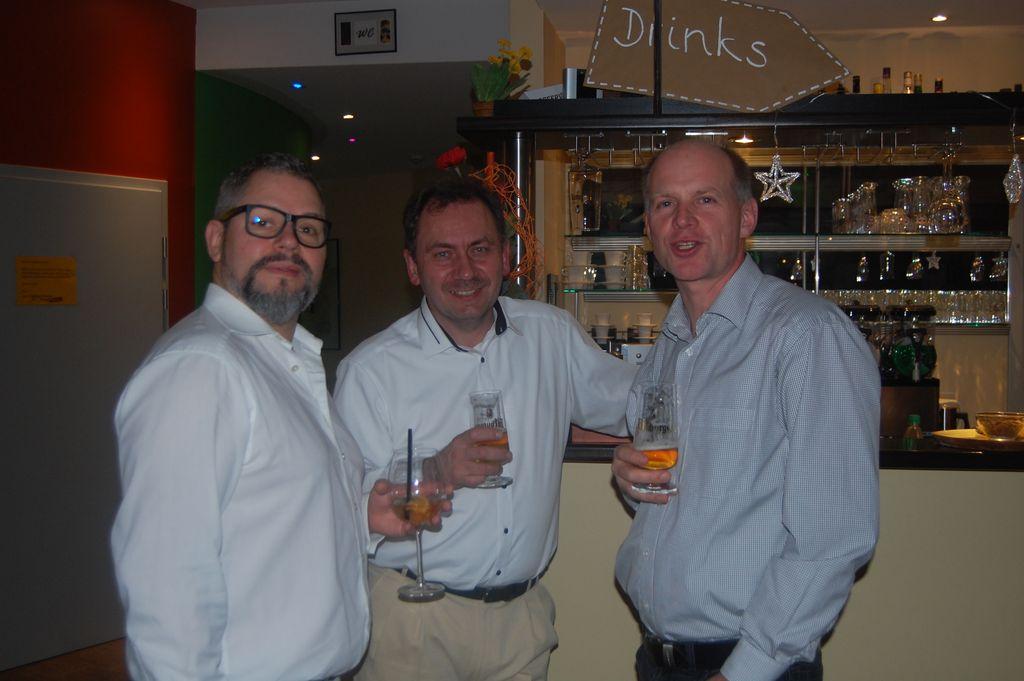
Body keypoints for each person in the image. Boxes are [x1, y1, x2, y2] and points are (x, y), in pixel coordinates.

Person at [110, 153, 427, 681]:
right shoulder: (201, 368)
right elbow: (168, 588)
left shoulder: (286, 362)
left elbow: (266, 521)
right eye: (263, 221)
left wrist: (361, 519)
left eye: (308, 229)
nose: (289, 242)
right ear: (216, 239)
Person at [333, 176, 637, 681]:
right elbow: (344, 510)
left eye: (480, 249)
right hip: (411, 621)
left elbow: (636, 402)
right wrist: (437, 469)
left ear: (505, 256)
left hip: (521, 621)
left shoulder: (550, 335)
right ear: (413, 267)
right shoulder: (371, 371)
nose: (465, 270)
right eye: (443, 254)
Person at [612, 141, 880, 681]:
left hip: (746, 665)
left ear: (747, 217)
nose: (682, 220)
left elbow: (832, 537)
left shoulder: (805, 332)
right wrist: (631, 481)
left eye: (705, 199)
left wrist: (745, 672)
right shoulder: (669, 345)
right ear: (649, 228)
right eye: (665, 203)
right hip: (659, 660)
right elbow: (680, 496)